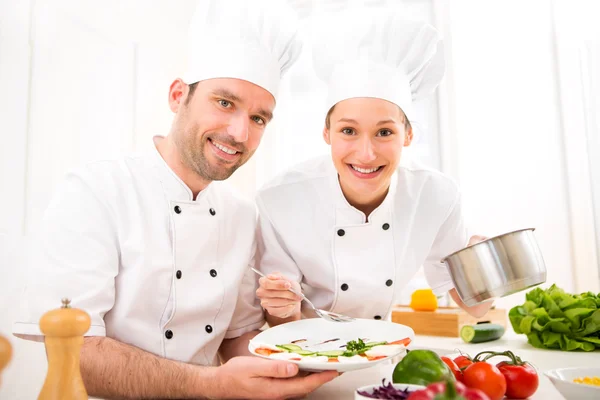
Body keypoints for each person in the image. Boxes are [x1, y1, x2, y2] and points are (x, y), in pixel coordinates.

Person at [12, 0, 338, 398]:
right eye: (224, 102)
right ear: (178, 95)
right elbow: (73, 356)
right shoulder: (96, 192)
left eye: (258, 118)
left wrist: (289, 367)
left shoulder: (241, 214)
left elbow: (236, 338)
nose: (239, 132)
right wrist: (213, 385)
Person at [254, 9, 493, 327]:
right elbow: (280, 320)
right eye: (348, 131)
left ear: (408, 135)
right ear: (327, 133)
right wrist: (280, 303)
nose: (366, 154)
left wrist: (485, 266)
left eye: (384, 132)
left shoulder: (436, 195)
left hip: (387, 351)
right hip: (305, 356)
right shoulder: (281, 199)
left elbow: (476, 309)